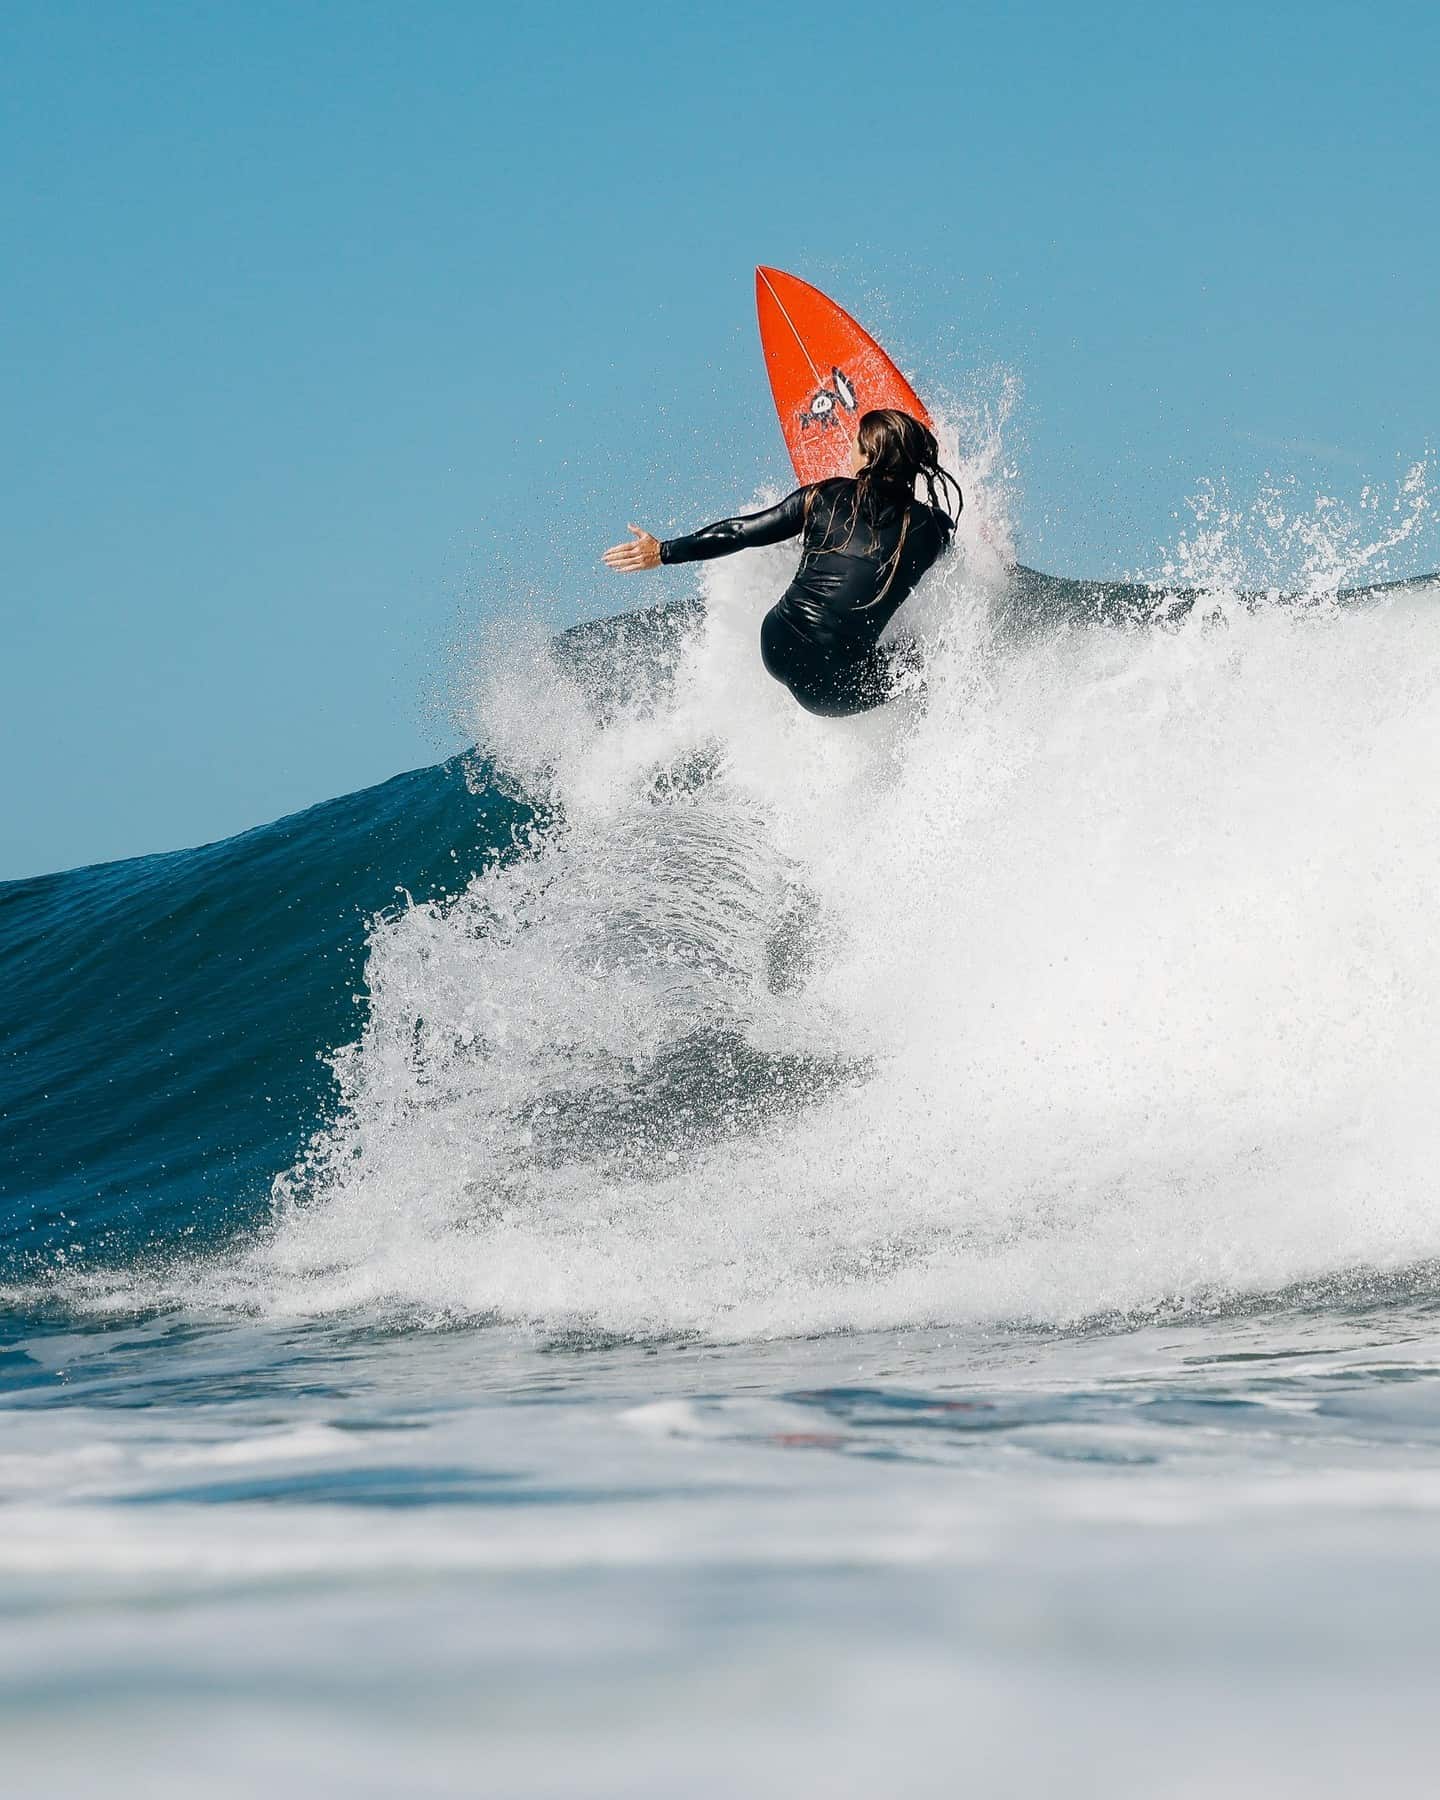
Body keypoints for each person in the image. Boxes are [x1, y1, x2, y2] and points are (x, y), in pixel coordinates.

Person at [602, 409, 962, 717]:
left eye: (855, 443)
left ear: (869, 458)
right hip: (832, 690)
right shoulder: (934, 530)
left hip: (776, 643)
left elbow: (739, 532)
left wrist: (664, 551)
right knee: (928, 654)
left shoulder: (823, 496)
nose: (849, 449)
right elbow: (955, 562)